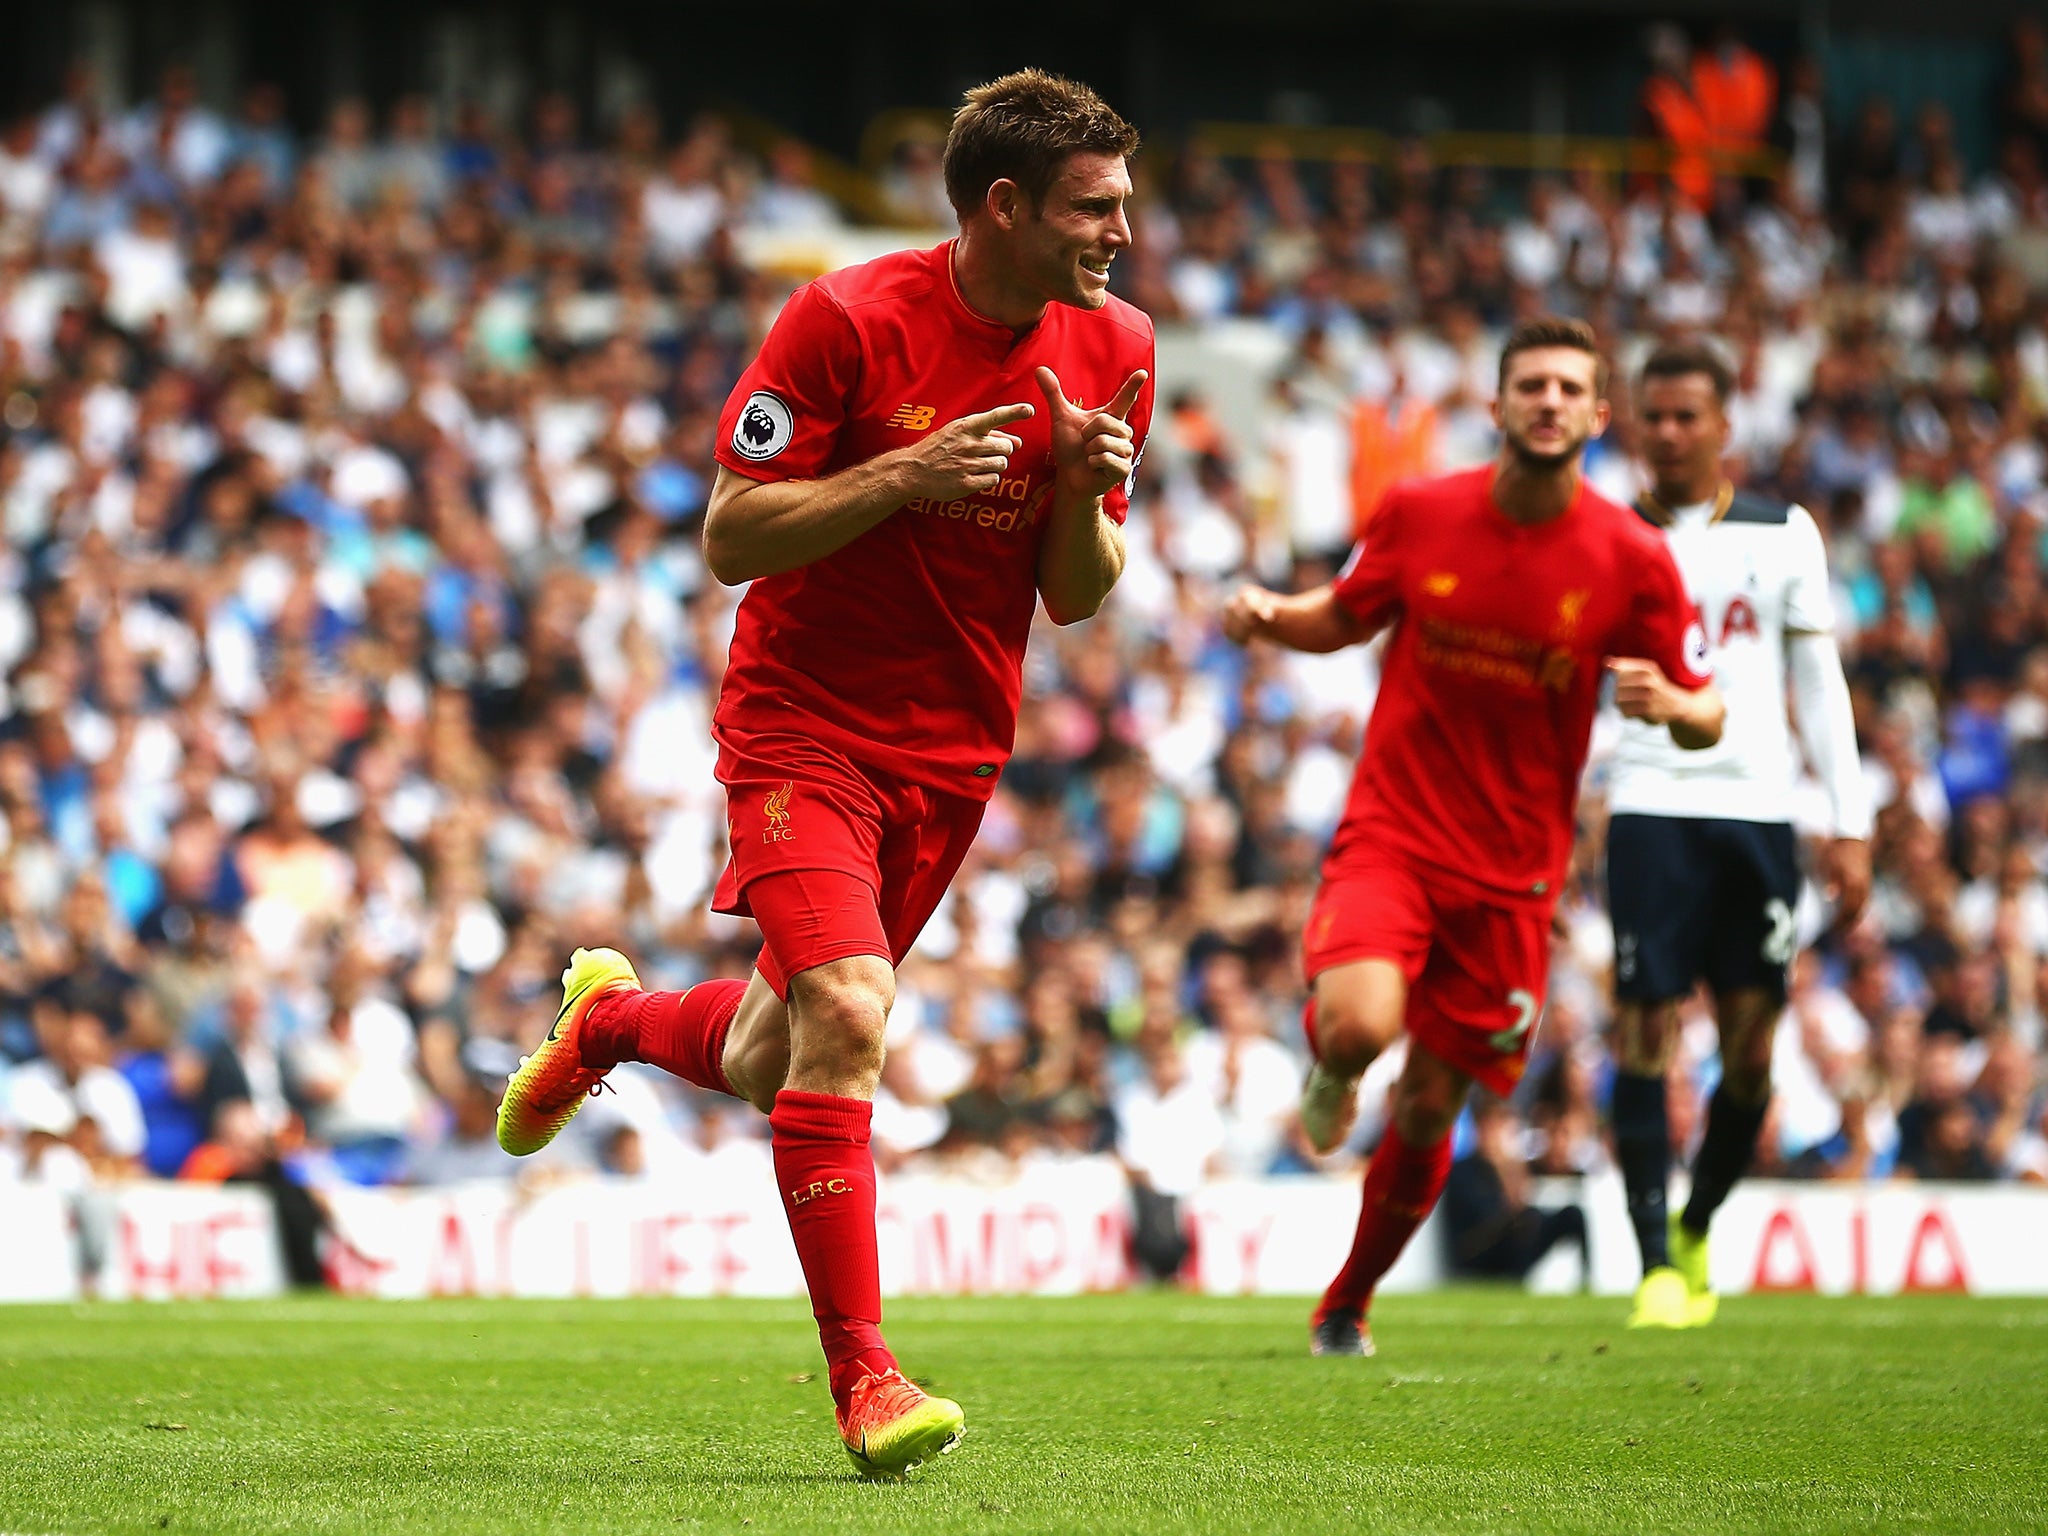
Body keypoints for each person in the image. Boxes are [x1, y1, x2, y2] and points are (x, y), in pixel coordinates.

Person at [494, 70, 1153, 1477]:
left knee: (767, 1050)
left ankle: (607, 1025)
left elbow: (1081, 596)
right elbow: (734, 535)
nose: (1122, 232)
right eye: (1096, 207)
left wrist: (1094, 492)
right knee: (853, 1009)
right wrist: (903, 480)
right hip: (801, 725)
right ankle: (867, 1383)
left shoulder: (1118, 346)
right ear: (1005, 205)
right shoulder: (845, 317)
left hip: (958, 749)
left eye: (1124, 205)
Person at [1222, 316, 1723, 1358]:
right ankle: (1330, 1067)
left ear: (1595, 414)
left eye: (1566, 387)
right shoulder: (1417, 510)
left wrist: (1670, 704)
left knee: (1427, 1107)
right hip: (1394, 836)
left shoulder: (1629, 556)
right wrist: (1271, 615)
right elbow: (1346, 614)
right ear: (1495, 406)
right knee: (1359, 1026)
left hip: (1513, 880)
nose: (1546, 401)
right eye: (1527, 384)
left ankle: (1345, 1304)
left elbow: (1704, 705)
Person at [1606, 342, 1871, 1329]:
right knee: (1642, 1030)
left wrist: (1846, 821)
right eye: (1653, 416)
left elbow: (1817, 683)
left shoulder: (1780, 531)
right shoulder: (1602, 531)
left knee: (1752, 1050)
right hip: (1646, 805)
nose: (1667, 433)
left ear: (1723, 426)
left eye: (1686, 416)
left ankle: (1696, 1219)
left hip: (1757, 810)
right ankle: (1649, 1268)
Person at [1440, 1096, 1588, 1283]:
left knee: (1571, 1215)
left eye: (1500, 1125)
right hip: (1475, 1254)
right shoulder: (1461, 1171)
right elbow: (1484, 1218)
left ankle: (1587, 1279)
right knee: (1522, 1222)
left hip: (1508, 1241)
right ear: (1478, 1129)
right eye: (1491, 1126)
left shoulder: (1507, 1166)